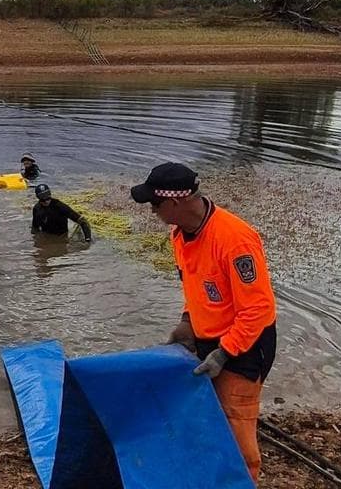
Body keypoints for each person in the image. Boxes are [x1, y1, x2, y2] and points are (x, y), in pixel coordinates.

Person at [131, 162, 276, 484]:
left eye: (154, 204)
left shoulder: (235, 239)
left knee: (237, 426)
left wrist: (224, 353)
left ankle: (243, 481)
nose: (152, 211)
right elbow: (197, 287)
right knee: (207, 417)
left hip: (247, 344)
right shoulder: (180, 235)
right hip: (207, 337)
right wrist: (187, 323)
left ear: (175, 203)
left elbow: (258, 308)